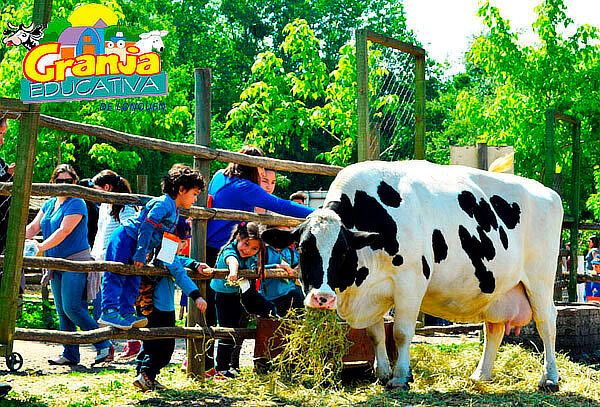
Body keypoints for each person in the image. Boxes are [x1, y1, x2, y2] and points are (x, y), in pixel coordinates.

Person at [204, 146, 312, 374]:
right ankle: (213, 365)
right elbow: (279, 205)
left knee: (216, 309)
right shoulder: (244, 186)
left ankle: (211, 364)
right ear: (253, 168)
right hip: (226, 250)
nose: (262, 175)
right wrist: (316, 213)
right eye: (261, 169)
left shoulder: (219, 177)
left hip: (219, 246)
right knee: (225, 310)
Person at [25, 164, 113, 365]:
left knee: (73, 307)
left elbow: (63, 231)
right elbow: (33, 227)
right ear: (52, 183)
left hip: (75, 262)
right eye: (59, 181)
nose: (63, 185)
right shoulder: (49, 204)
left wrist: (39, 247)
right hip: (55, 262)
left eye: (68, 181)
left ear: (75, 182)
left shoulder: (77, 203)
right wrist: (15, 239)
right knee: (62, 311)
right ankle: (70, 354)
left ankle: (104, 345)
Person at [99, 165, 205, 330]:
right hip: (126, 237)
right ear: (182, 189)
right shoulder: (163, 204)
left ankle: (127, 312)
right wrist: (141, 253)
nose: (195, 199)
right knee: (116, 272)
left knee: (134, 277)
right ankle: (109, 311)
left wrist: (159, 258)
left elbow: (163, 238)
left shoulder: (175, 212)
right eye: (194, 194)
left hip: (137, 244)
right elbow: (147, 227)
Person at [133, 214, 208, 391]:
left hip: (143, 306)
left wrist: (194, 263)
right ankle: (147, 374)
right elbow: (180, 275)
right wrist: (196, 296)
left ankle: (142, 375)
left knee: (149, 342)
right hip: (162, 308)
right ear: (172, 239)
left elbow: (179, 262)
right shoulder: (168, 255)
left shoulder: (155, 252)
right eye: (182, 241)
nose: (184, 245)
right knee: (165, 346)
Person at [210, 222, 275, 378]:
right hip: (224, 295)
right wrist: (233, 270)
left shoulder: (252, 256)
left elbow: (256, 264)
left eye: (254, 248)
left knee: (239, 329)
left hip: (241, 294)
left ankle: (231, 366)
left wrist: (271, 265)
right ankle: (221, 369)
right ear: (238, 237)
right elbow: (231, 260)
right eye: (246, 245)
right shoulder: (230, 250)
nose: (248, 251)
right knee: (228, 330)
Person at [90, 170, 140, 358]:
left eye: (97, 189)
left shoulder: (125, 207)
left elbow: (126, 233)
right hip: (103, 256)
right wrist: (95, 254)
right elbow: (100, 233)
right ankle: (123, 342)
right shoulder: (105, 206)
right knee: (109, 300)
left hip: (118, 257)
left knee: (120, 299)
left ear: (107, 188)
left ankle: (132, 341)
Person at [261, 237, 304, 316]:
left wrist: (298, 267)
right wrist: (276, 266)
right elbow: (254, 266)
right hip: (270, 295)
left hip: (290, 291)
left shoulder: (289, 250)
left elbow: (299, 261)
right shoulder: (263, 249)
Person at [0, 118, 15, 255]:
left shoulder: (1, 161)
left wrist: (10, 173)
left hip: (4, 227)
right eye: (0, 134)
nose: (2, 141)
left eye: (3, 135)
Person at [584, 236, 600, 302]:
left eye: (589, 241)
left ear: (593, 242)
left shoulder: (594, 250)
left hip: (595, 274)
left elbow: (596, 260)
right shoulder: (592, 250)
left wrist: (595, 269)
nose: (588, 243)